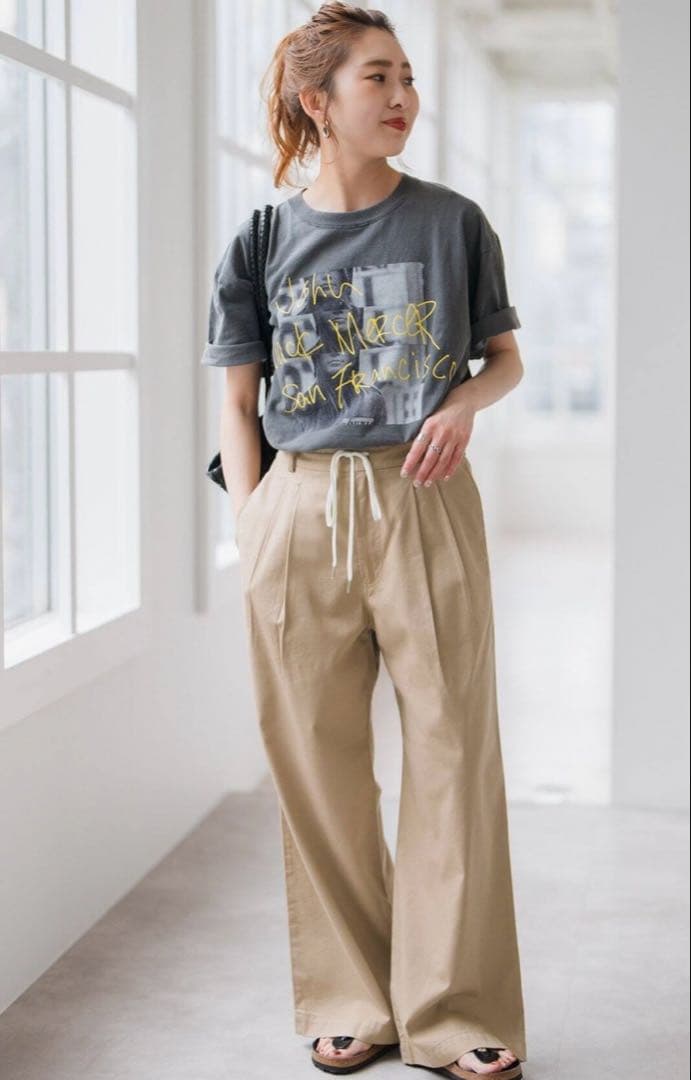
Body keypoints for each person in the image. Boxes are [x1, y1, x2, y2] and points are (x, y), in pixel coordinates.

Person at [201, 4, 528, 1077]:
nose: (401, 97)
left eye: (407, 77)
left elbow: (504, 359)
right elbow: (237, 399)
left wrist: (462, 403)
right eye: (376, 77)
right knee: (317, 766)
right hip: (297, 506)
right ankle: (350, 996)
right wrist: (254, 524)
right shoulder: (260, 239)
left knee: (452, 754)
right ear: (317, 100)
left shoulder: (451, 222)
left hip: (421, 499)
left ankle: (454, 1009)